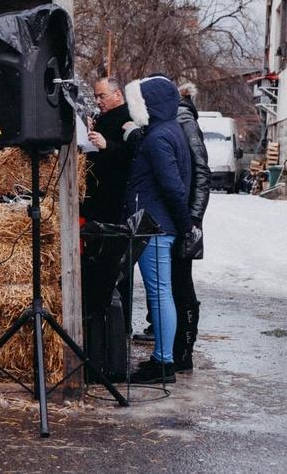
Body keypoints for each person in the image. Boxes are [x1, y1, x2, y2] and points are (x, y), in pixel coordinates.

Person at [123, 75, 192, 384]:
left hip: (154, 226)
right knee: (160, 292)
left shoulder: (159, 137)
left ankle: (163, 363)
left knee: (160, 293)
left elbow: (172, 186)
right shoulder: (167, 131)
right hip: (158, 224)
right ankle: (161, 360)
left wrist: (185, 225)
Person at [172, 81, 210, 372]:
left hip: (184, 218)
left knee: (182, 284)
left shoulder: (184, 121)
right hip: (180, 215)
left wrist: (193, 219)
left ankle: (184, 352)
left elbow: (201, 171)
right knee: (176, 282)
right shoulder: (178, 120)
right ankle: (180, 351)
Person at [82, 77, 133, 224]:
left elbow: (133, 155)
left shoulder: (129, 117)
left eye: (102, 96)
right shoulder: (102, 117)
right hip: (97, 196)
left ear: (117, 94)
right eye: (95, 97)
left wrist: (107, 145)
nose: (98, 102)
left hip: (115, 198)